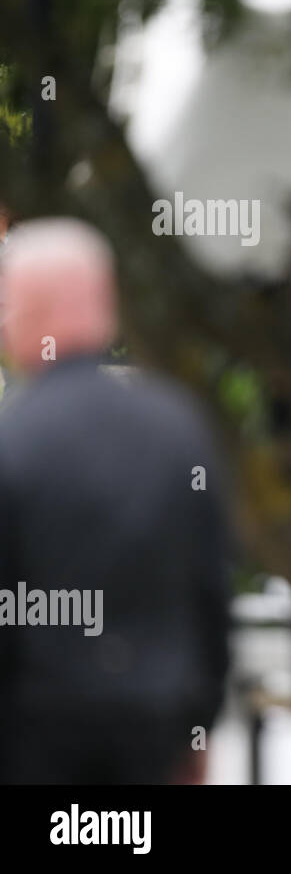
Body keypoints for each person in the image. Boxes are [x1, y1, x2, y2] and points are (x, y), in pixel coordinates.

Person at [0, 218, 233, 783]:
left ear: (26, 313)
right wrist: (197, 727)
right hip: (157, 733)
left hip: (37, 739)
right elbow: (211, 592)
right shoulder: (179, 430)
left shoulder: (15, 442)